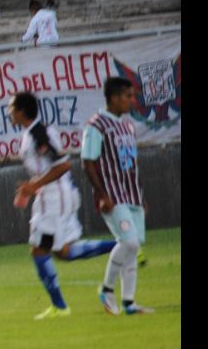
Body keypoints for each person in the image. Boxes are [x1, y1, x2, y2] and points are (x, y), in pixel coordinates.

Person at [8, 91, 116, 320]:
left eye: (12, 108)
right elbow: (46, 168)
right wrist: (29, 188)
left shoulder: (39, 134)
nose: (9, 113)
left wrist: (34, 185)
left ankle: (60, 306)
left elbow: (63, 166)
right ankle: (121, 245)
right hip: (52, 197)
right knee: (63, 252)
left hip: (54, 199)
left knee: (39, 250)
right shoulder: (31, 134)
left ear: (21, 111)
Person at [81, 77, 155, 315]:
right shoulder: (96, 125)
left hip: (132, 193)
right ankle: (106, 289)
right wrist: (101, 194)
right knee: (129, 242)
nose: (132, 101)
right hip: (112, 194)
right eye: (128, 96)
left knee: (133, 247)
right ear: (114, 98)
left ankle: (129, 303)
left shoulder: (128, 125)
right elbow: (87, 162)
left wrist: (141, 195)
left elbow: (131, 163)